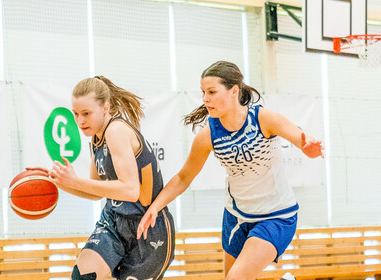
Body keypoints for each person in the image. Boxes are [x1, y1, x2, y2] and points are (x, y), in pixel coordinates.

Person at [137, 61, 323, 280]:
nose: (205, 98)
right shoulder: (208, 135)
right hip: (237, 216)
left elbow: (302, 140)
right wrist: (156, 206)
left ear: (234, 91)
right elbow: (184, 177)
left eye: (212, 92)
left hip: (276, 216)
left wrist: (309, 147)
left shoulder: (263, 119)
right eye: (203, 92)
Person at [31, 76, 175, 280]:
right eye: (76, 114)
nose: (80, 121)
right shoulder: (97, 138)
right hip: (114, 220)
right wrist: (57, 180)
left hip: (147, 227)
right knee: (84, 276)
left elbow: (131, 190)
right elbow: (95, 192)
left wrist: (75, 181)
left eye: (86, 114)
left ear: (105, 107)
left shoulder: (116, 130)